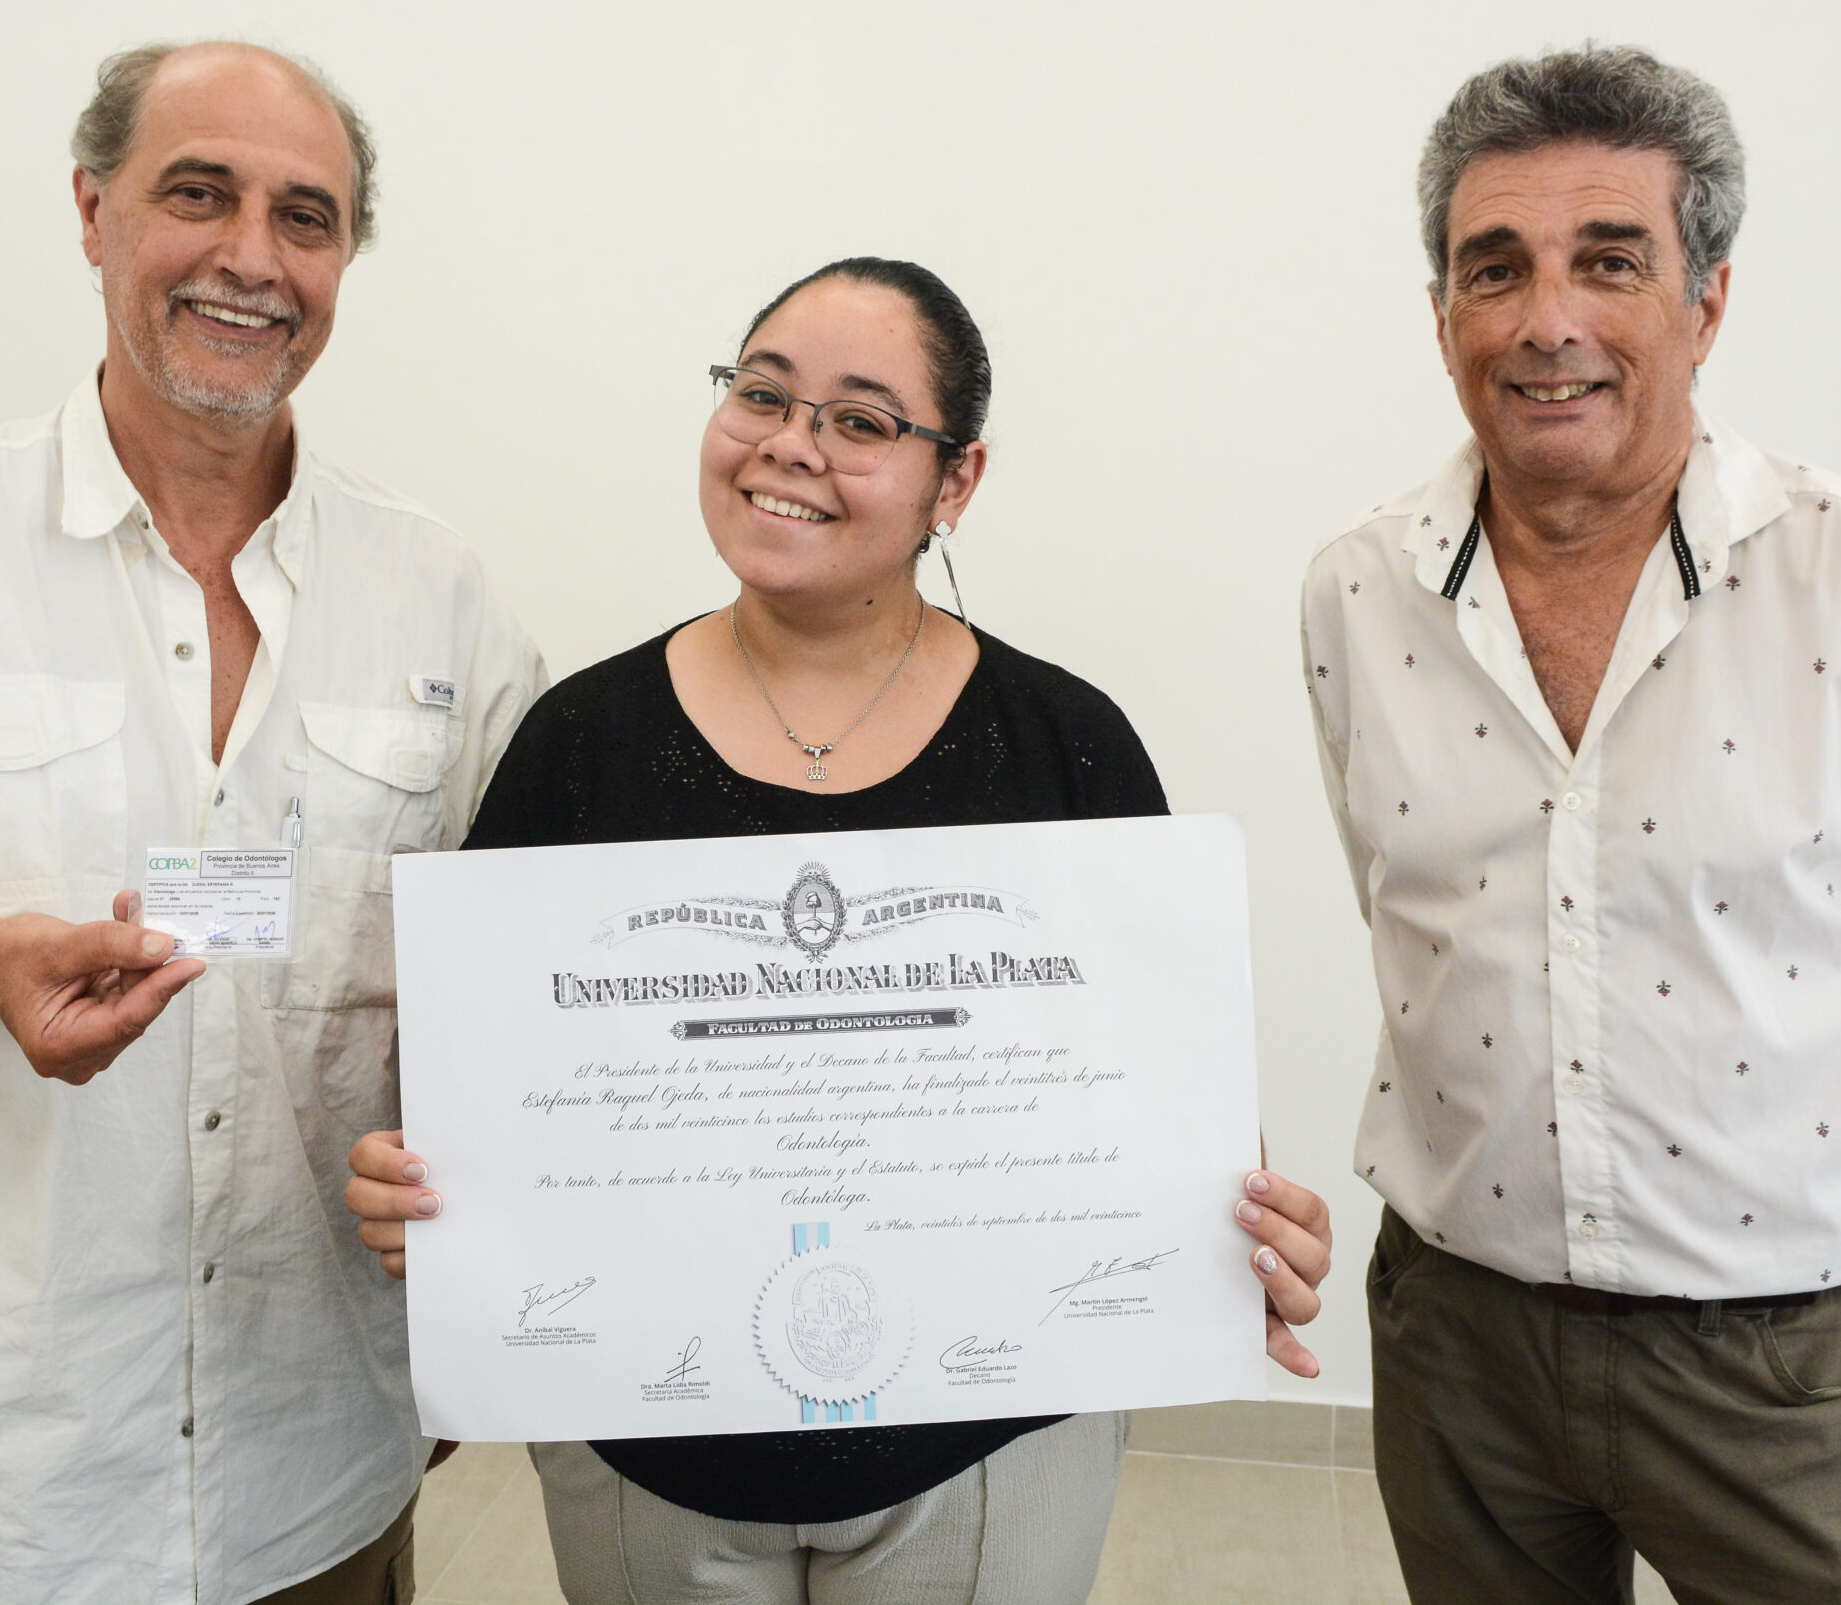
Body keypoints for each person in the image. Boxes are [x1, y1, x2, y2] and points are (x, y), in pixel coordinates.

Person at [0, 40, 543, 1604]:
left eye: (306, 217)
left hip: (312, 1472)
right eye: (197, 194)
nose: (251, 258)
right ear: (91, 212)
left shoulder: (445, 603)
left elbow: (512, 1002)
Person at [347, 257, 1331, 1604]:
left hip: (989, 1450)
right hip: (646, 1446)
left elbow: (1157, 1103)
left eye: (861, 420)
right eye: (761, 394)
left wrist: (1240, 1229)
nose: (790, 445)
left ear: (955, 481)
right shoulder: (579, 740)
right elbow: (477, 1086)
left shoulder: (1067, 744)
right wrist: (426, 1193)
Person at [1299, 44, 1841, 1603]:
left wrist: (1781, 1202)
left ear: (1706, 302)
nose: (1548, 320)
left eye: (1610, 261)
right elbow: (1401, 913)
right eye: (1495, 268)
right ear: (1443, 316)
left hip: (1786, 1367)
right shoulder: (1357, 591)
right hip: (1458, 1340)